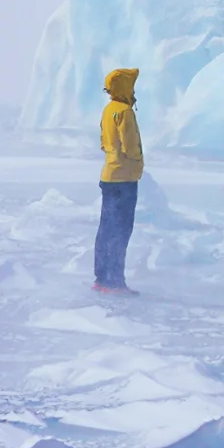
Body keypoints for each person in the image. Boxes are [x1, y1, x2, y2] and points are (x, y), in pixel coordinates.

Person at [93, 67, 143, 294]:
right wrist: (137, 161)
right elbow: (131, 146)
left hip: (109, 175)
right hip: (125, 178)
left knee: (106, 229)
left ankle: (102, 279)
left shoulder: (108, 109)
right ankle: (115, 282)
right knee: (121, 230)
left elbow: (104, 142)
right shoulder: (125, 112)